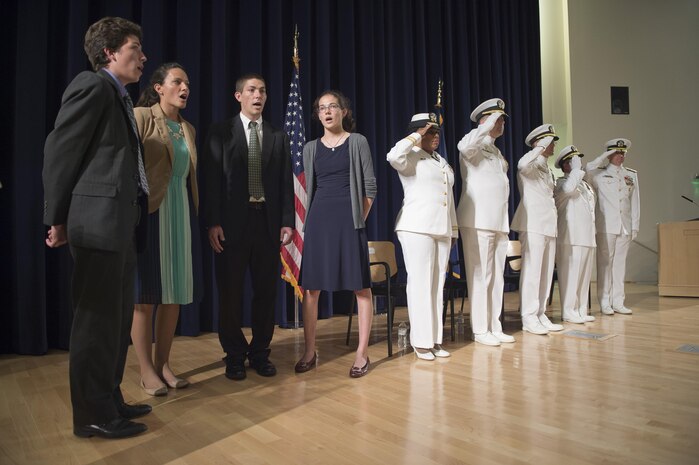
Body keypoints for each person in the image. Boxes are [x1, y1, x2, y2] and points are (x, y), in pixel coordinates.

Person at [42, 16, 150, 439]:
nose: (143, 57)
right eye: (135, 49)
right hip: (96, 223)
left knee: (116, 319)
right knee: (95, 322)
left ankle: (109, 399)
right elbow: (60, 151)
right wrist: (56, 217)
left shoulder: (118, 95)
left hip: (119, 225)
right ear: (110, 53)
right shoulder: (92, 86)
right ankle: (91, 415)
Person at [201, 74, 294, 380]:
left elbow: (284, 184)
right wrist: (212, 221)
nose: (258, 95)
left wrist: (287, 222)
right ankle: (235, 355)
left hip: (266, 225)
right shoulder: (220, 132)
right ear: (238, 96)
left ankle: (260, 353)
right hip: (230, 226)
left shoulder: (277, 136)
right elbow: (211, 181)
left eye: (263, 91)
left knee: (266, 293)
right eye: (252, 90)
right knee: (230, 293)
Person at [294, 90, 376, 378]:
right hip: (319, 222)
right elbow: (309, 190)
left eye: (333, 107)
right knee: (311, 289)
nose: (327, 112)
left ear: (344, 111)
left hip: (350, 222)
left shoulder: (358, 142)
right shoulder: (310, 148)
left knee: (360, 288)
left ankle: (362, 354)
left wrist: (356, 221)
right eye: (322, 108)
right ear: (317, 115)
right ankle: (309, 350)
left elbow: (370, 188)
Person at [131, 63, 198, 395]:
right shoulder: (142, 116)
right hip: (151, 211)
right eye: (177, 82)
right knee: (145, 296)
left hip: (180, 212)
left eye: (187, 83)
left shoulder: (188, 128)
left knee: (173, 296)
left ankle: (163, 364)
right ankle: (145, 371)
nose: (185, 87)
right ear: (159, 87)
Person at [387, 113, 457, 360]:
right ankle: (421, 342)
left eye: (436, 132)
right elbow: (392, 155)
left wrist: (454, 229)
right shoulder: (409, 157)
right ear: (416, 134)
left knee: (437, 285)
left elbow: (449, 199)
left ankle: (435, 340)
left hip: (442, 228)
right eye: (429, 132)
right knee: (420, 285)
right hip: (416, 226)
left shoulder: (440, 161)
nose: (435, 136)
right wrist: (416, 135)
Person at [456, 98, 515, 346]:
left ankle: (494, 325)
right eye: (497, 118)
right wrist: (486, 124)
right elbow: (464, 145)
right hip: (478, 219)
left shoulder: (495, 150)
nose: (501, 123)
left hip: (498, 221)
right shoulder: (473, 143)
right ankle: (481, 329)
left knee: (496, 277)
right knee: (480, 276)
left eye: (501, 119)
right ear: (485, 120)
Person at [511, 124, 564, 335]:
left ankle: (541, 313)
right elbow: (522, 165)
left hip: (548, 224)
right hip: (532, 223)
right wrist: (538, 149)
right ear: (539, 143)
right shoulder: (530, 162)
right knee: (533, 272)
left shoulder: (546, 168)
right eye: (550, 141)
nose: (553, 145)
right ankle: (529, 316)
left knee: (545, 273)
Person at [584, 138, 639, 315]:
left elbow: (635, 202)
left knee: (620, 264)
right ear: (609, 154)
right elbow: (587, 169)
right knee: (605, 264)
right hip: (606, 225)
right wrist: (603, 156)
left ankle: (618, 301)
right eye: (616, 152)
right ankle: (605, 301)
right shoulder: (598, 174)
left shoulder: (631, 174)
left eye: (622, 153)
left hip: (625, 225)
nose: (620, 156)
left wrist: (635, 226)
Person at [553, 146, 596, 324]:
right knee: (570, 274)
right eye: (573, 161)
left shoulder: (584, 185)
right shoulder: (561, 183)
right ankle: (568, 310)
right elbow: (569, 189)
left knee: (584, 276)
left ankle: (581, 309)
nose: (578, 163)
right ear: (565, 166)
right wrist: (577, 171)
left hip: (586, 236)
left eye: (578, 160)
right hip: (570, 236)